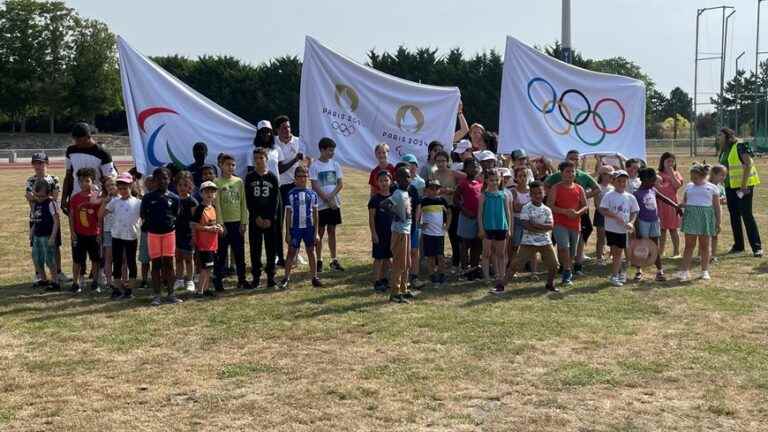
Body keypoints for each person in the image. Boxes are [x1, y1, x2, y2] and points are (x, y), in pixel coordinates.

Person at [545, 150, 598, 275]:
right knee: (563, 245)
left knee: (574, 247)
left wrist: (580, 206)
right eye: (571, 158)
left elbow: (596, 190)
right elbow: (548, 197)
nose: (570, 173)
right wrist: (560, 206)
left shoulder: (581, 182)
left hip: (577, 219)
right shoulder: (556, 181)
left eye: (576, 159)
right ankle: (565, 269)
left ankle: (574, 264)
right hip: (560, 220)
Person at [717, 127, 762, 257]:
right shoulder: (724, 150)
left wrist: (743, 186)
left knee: (747, 215)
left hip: (744, 186)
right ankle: (738, 245)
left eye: (720, 135)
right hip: (730, 186)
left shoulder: (740, 145)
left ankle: (757, 247)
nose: (718, 138)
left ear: (727, 136)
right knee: (734, 216)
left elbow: (747, 164)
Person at [507, 181, 560, 292]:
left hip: (545, 242)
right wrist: (541, 227)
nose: (537, 196)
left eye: (540, 193)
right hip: (528, 242)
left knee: (554, 265)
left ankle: (549, 284)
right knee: (515, 265)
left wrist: (535, 224)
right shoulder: (526, 208)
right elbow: (526, 226)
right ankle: (501, 285)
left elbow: (550, 226)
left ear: (544, 193)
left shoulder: (547, 210)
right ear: (530, 195)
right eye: (534, 194)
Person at [141, 167, 182, 306]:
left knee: (169, 264)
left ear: (170, 180)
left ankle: (171, 294)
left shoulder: (175, 198)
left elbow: (176, 215)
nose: (162, 181)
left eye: (165, 178)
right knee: (156, 264)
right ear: (154, 181)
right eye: (158, 178)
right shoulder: (147, 198)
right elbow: (143, 215)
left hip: (169, 234)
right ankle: (156, 295)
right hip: (153, 234)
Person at [632, 168, 679, 281]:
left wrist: (676, 206)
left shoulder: (652, 190)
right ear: (644, 180)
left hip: (654, 221)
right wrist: (636, 225)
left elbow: (664, 199)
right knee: (641, 247)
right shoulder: (636, 194)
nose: (654, 183)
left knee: (655, 246)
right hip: (642, 222)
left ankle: (659, 271)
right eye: (652, 180)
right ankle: (638, 271)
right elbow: (634, 211)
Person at [678, 164, 722, 281]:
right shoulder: (689, 186)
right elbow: (685, 201)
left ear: (704, 176)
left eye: (696, 177)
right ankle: (685, 271)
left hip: (706, 218)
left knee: (704, 246)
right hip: (691, 217)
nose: (693, 180)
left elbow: (717, 207)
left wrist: (718, 222)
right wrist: (681, 205)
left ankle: (704, 271)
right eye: (692, 177)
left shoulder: (712, 188)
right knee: (689, 246)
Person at [25, 152, 64, 284]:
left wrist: (37, 198)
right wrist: (43, 198)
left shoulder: (54, 179)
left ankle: (58, 272)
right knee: (37, 246)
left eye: (41, 162)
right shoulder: (30, 180)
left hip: (51, 216)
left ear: (47, 163)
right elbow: (29, 198)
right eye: (35, 162)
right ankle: (39, 274)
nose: (38, 165)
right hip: (35, 216)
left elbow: (55, 196)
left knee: (55, 245)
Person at [547, 161, 588, 286]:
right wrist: (564, 211)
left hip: (575, 224)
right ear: (562, 173)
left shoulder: (579, 188)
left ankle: (566, 268)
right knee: (564, 247)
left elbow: (585, 206)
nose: (570, 174)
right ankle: (567, 274)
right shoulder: (556, 188)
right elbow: (549, 205)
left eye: (572, 171)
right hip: (560, 223)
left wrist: (577, 213)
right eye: (567, 171)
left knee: (572, 252)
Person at [244, 148, 281, 289]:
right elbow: (248, 199)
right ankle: (256, 277)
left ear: (266, 159)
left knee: (271, 248)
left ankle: (271, 276)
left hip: (269, 219)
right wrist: (256, 216)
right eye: (256, 158)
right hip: (255, 218)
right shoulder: (250, 177)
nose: (258, 161)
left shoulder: (272, 177)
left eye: (261, 158)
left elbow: (275, 200)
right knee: (255, 248)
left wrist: (270, 218)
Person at [281, 165, 322, 289]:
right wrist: (287, 232)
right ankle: (286, 278)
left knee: (311, 251)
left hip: (309, 228)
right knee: (291, 252)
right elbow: (288, 215)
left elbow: (315, 214)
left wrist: (316, 232)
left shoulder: (312, 194)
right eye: (299, 176)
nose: (302, 179)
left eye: (305, 176)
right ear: (295, 178)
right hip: (296, 229)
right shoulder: (291, 194)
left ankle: (314, 277)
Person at [213, 154, 249, 290]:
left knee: (239, 253)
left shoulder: (239, 182)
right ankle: (218, 282)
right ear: (221, 165)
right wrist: (221, 224)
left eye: (233, 165)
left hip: (237, 223)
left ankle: (242, 279)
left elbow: (243, 203)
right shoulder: (217, 182)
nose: (230, 167)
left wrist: (243, 222)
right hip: (224, 225)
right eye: (227, 164)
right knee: (221, 254)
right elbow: (217, 205)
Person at [599, 170, 639, 287]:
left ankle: (619, 273)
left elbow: (634, 211)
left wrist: (631, 222)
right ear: (613, 181)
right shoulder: (609, 195)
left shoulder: (630, 197)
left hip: (624, 230)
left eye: (624, 181)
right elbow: (602, 209)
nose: (622, 183)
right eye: (619, 181)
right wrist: (616, 217)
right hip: (612, 229)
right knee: (617, 252)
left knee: (621, 253)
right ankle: (615, 275)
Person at [310, 137, 345, 272]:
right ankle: (319, 260)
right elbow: (315, 185)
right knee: (320, 232)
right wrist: (326, 199)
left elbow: (340, 183)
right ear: (322, 150)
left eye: (333, 150)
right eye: (330, 150)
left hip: (334, 204)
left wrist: (331, 198)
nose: (332, 153)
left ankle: (334, 259)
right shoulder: (314, 166)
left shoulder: (335, 165)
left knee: (332, 231)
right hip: (320, 205)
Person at [105, 172, 142, 299]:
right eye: (119, 188)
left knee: (131, 262)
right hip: (117, 236)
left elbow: (145, 217)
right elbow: (100, 215)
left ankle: (129, 289)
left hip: (131, 237)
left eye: (125, 188)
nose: (122, 191)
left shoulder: (138, 203)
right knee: (118, 262)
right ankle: (117, 288)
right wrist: (106, 200)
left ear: (131, 186)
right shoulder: (114, 202)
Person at [429, 150, 466, 273]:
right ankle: (436, 262)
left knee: (453, 236)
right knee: (436, 235)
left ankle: (456, 263)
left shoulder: (453, 173)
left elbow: (467, 178)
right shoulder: (433, 174)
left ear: (447, 161)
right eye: (438, 161)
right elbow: (430, 189)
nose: (440, 164)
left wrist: (454, 190)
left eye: (443, 161)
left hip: (451, 207)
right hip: (438, 208)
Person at [69, 168, 103, 294]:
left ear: (93, 181)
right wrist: (72, 233)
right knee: (77, 260)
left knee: (95, 259)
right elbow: (71, 217)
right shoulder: (75, 198)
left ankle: (95, 283)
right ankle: (75, 283)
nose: (84, 184)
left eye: (87, 181)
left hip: (94, 234)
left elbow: (100, 217)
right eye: (81, 181)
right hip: (79, 235)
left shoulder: (97, 198)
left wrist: (100, 233)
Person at [479, 169, 512, 294]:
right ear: (486, 180)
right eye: (491, 180)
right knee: (486, 253)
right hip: (488, 227)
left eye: (496, 180)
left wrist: (508, 227)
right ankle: (487, 276)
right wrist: (481, 228)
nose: (494, 182)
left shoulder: (504, 195)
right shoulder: (483, 195)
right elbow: (480, 213)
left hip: (501, 227)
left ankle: (501, 276)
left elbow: (508, 212)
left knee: (501, 253)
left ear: (500, 180)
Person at [384, 166, 414, 303]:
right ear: (398, 179)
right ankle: (395, 293)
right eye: (405, 177)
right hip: (399, 232)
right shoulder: (397, 193)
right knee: (399, 263)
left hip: (406, 231)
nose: (409, 179)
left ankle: (404, 289)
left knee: (407, 263)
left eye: (409, 177)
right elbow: (384, 204)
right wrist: (395, 214)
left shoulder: (405, 193)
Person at [191, 181, 224, 298]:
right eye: (206, 191)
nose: (210, 194)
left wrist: (219, 227)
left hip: (213, 243)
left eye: (212, 191)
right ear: (201, 194)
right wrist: (208, 228)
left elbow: (214, 223)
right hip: (203, 244)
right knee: (205, 268)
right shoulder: (200, 208)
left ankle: (205, 289)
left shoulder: (213, 207)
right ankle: (199, 291)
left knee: (210, 267)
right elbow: (193, 225)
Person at [29, 180, 61, 291]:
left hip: (47, 236)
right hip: (37, 235)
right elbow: (35, 218)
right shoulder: (36, 203)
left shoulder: (51, 203)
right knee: (36, 258)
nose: (39, 198)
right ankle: (43, 279)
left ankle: (55, 281)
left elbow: (56, 221)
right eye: (37, 195)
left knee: (50, 259)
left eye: (42, 196)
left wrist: (53, 236)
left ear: (48, 194)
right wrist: (32, 230)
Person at [455, 159, 483, 280]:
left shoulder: (480, 183)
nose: (474, 168)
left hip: (478, 218)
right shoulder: (463, 183)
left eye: (476, 166)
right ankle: (465, 270)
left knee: (477, 244)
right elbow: (456, 199)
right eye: (471, 166)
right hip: (466, 218)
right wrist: (464, 211)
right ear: (465, 169)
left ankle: (474, 269)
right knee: (465, 245)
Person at [420, 179, 451, 285]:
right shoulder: (423, 201)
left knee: (440, 255)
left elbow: (449, 213)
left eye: (437, 188)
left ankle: (442, 274)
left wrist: (448, 225)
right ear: (426, 190)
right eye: (431, 188)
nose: (434, 191)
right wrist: (420, 225)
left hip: (439, 233)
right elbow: (418, 214)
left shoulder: (442, 201)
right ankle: (432, 274)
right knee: (430, 256)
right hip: (427, 233)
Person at [401, 154, 425, 287]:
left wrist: (416, 221)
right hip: (401, 222)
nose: (410, 167)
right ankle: (403, 276)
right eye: (407, 164)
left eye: (412, 164)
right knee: (403, 250)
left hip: (414, 222)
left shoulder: (419, 183)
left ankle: (414, 276)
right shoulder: (397, 184)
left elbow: (419, 204)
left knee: (414, 250)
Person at [368, 171, 394, 292]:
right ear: (377, 183)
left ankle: (385, 279)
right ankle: (376, 281)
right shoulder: (375, 199)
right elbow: (371, 218)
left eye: (386, 180)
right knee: (379, 258)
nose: (384, 183)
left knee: (388, 258)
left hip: (392, 233)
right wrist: (373, 233)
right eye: (381, 180)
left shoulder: (394, 197)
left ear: (391, 181)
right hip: (379, 233)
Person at [173, 171, 197, 292]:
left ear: (190, 187)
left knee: (188, 258)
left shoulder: (192, 202)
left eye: (186, 185)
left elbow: (194, 220)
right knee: (178, 258)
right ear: (176, 186)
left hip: (188, 234)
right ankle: (179, 279)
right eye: (180, 185)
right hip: (176, 234)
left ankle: (190, 280)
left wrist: (194, 235)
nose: (183, 188)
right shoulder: (174, 200)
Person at [656, 152, 684, 258]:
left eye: (672, 161)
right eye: (668, 161)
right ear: (662, 162)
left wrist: (671, 174)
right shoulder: (658, 174)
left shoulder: (676, 174)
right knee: (662, 230)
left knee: (673, 229)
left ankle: (677, 252)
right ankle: (661, 251)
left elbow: (677, 185)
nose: (670, 163)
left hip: (672, 205)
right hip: (660, 205)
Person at [98, 177, 117, 292]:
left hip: (121, 232)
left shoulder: (122, 198)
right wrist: (105, 202)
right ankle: (109, 281)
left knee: (122, 257)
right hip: (108, 231)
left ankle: (122, 279)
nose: (111, 187)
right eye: (108, 186)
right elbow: (100, 216)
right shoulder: (105, 199)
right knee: (108, 257)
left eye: (113, 184)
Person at [593, 165, 615, 264]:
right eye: (606, 174)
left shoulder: (613, 187)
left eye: (610, 174)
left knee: (612, 235)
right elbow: (597, 203)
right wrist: (604, 213)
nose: (608, 176)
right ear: (601, 175)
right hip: (601, 215)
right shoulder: (598, 187)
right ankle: (599, 257)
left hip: (612, 215)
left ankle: (612, 254)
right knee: (601, 237)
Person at [709, 165, 728, 262]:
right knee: (704, 235)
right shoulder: (707, 186)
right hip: (707, 214)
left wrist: (722, 200)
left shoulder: (721, 187)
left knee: (715, 234)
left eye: (725, 175)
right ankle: (701, 254)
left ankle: (713, 255)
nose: (723, 177)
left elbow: (724, 200)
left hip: (717, 214)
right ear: (713, 174)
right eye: (722, 175)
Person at [138, 175, 154, 288]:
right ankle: (144, 280)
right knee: (145, 258)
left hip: (158, 231)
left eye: (151, 181)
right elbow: (142, 214)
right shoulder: (145, 198)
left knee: (158, 259)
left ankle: (159, 278)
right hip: (147, 231)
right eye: (147, 182)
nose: (149, 184)